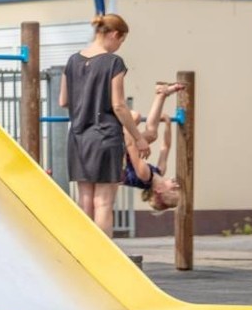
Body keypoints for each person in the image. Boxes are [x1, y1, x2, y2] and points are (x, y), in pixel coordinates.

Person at [62, 13, 139, 232]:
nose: (118, 47)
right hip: (105, 136)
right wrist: (138, 138)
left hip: (78, 138)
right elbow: (119, 105)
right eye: (121, 41)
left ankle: (83, 252)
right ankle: (103, 258)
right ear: (115, 34)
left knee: (85, 201)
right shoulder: (113, 62)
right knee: (103, 203)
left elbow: (63, 100)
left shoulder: (72, 60)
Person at [126, 82, 186, 212]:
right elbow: (165, 147)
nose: (176, 184)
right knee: (152, 134)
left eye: (173, 188)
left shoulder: (144, 175)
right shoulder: (159, 172)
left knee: (135, 117)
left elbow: (131, 146)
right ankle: (161, 94)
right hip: (125, 149)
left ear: (159, 190)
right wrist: (168, 125)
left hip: (117, 153)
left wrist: (128, 127)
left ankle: (112, 110)